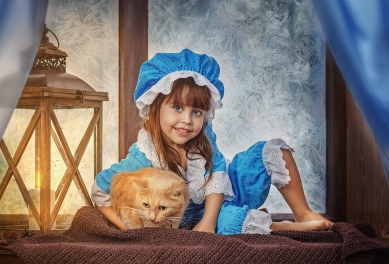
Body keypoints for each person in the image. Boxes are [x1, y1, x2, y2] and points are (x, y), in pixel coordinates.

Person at [90, 48, 333, 235]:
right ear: (155, 107)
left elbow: (218, 171)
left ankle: (302, 213)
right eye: (177, 107)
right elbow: (100, 190)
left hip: (228, 190)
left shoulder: (203, 136)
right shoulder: (143, 155)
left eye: (196, 112)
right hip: (204, 213)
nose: (187, 120)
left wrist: (208, 222)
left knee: (271, 151)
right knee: (229, 224)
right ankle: (282, 227)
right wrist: (128, 228)